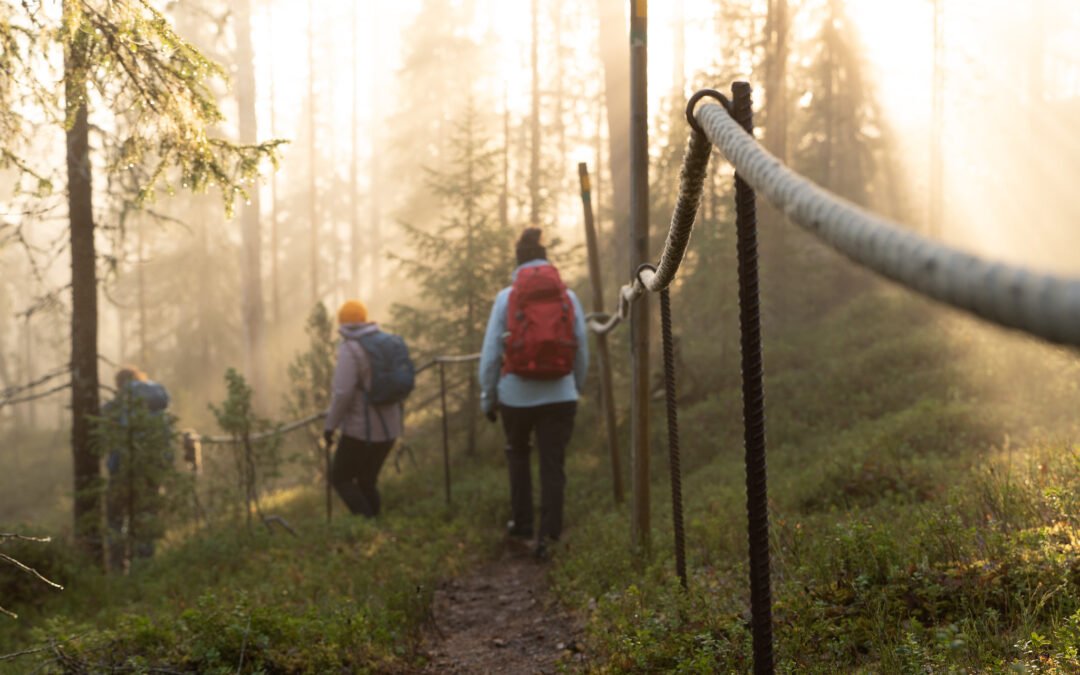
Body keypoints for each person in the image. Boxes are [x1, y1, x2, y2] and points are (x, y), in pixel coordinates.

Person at [479, 227, 588, 558]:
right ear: (545, 261)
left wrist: (488, 396)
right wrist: (574, 386)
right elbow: (581, 347)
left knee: (518, 456)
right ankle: (550, 538)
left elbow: (490, 354)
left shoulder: (506, 298)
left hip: (516, 396)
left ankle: (522, 525)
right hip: (561, 395)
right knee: (553, 466)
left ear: (517, 264)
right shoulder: (568, 298)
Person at [323, 300, 411, 518]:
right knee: (367, 481)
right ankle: (377, 531)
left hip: (361, 431)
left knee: (340, 477)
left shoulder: (349, 349)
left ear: (342, 322)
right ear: (364, 318)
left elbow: (343, 393)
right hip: (390, 429)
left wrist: (329, 426)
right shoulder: (386, 342)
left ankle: (368, 527)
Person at [103, 366, 172, 572]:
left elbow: (103, 427)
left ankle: (117, 568)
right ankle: (145, 566)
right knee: (147, 515)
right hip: (152, 469)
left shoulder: (117, 404)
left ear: (119, 384)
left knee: (115, 517)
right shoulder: (157, 402)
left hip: (122, 471)